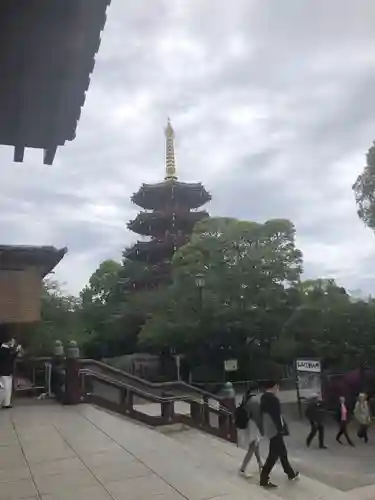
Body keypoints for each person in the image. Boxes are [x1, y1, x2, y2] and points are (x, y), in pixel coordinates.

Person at [259, 380, 299, 489]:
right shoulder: (274, 399)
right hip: (275, 429)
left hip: (269, 428)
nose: (278, 389)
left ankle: (290, 473)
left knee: (282, 452)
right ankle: (263, 478)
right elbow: (277, 416)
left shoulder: (263, 398)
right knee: (273, 455)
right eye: (277, 387)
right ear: (274, 386)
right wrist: (281, 429)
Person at [237, 390, 263, 478]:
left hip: (248, 425)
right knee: (252, 447)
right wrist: (262, 429)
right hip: (252, 426)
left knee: (256, 444)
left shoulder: (247, 398)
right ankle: (242, 469)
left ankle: (260, 464)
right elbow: (257, 417)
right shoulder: (254, 401)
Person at [0, 330, 22, 409]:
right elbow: (10, 358)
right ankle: (5, 403)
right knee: (6, 388)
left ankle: (6, 403)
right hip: (5, 371)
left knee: (7, 388)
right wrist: (16, 352)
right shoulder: (4, 350)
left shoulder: (5, 349)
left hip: (5, 371)